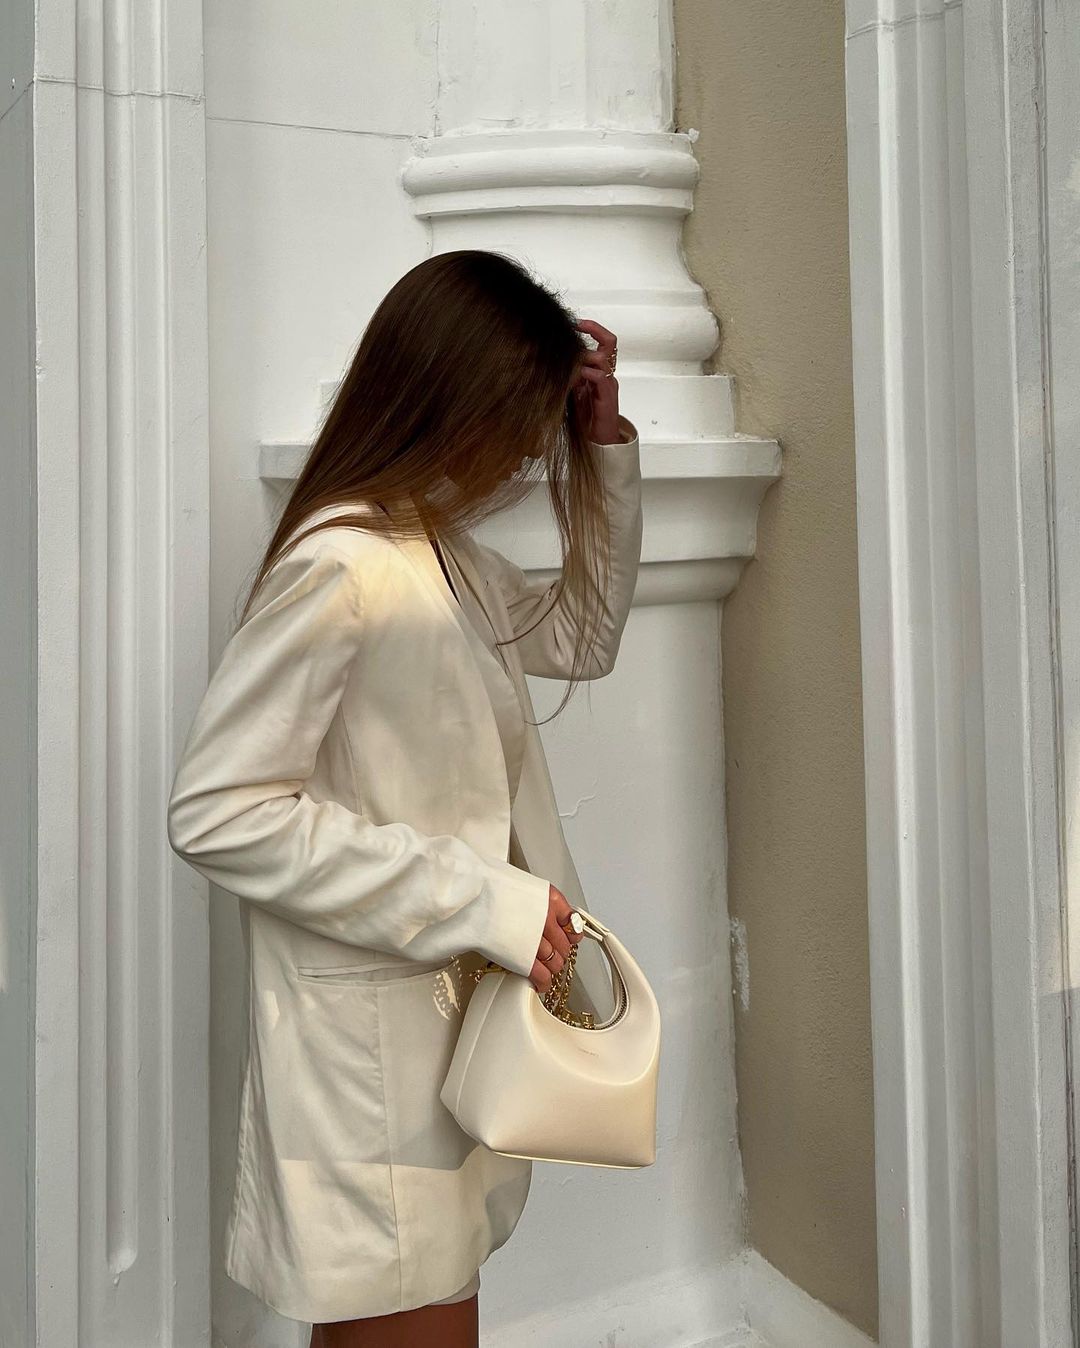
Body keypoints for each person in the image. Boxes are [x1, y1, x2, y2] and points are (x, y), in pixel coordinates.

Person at [166, 249, 643, 1346]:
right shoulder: (344, 565)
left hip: (442, 1027)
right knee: (412, 1314)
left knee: (432, 1304)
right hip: (371, 1061)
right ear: (449, 398)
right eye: (517, 425)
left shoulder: (440, 554)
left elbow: (581, 634)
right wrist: (483, 898)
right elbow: (220, 811)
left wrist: (602, 447)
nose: (525, 455)